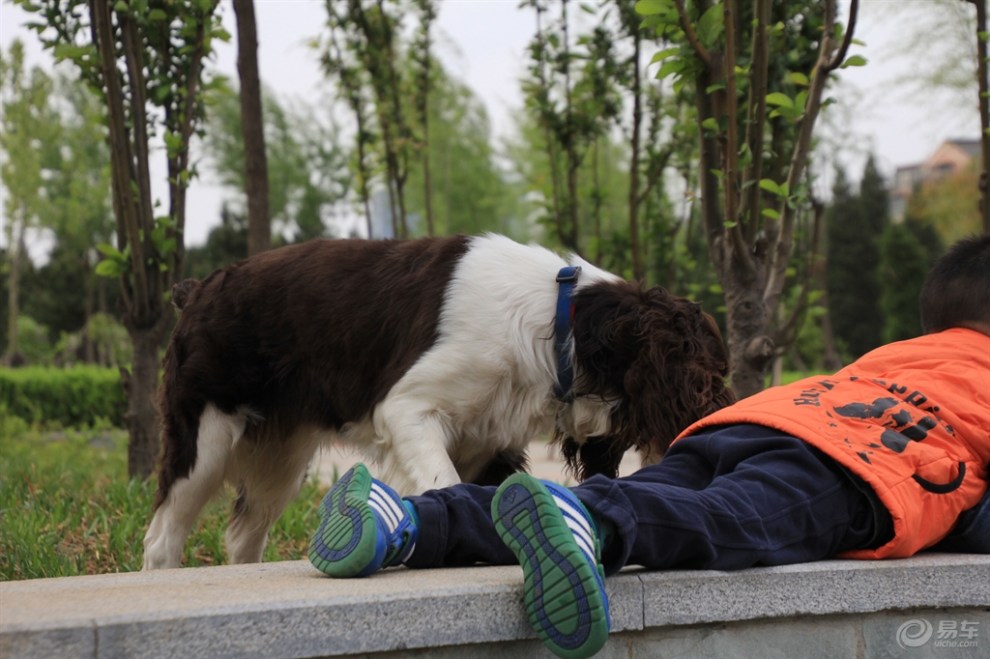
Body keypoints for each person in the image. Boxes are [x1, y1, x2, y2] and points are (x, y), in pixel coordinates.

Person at [308, 235, 990, 659]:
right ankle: (596, 525)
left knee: (650, 491)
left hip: (758, 422)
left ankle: (411, 522)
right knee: (725, 520)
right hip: (856, 467)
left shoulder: (896, 354)